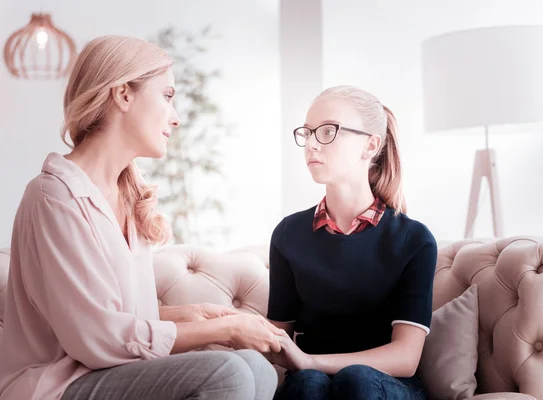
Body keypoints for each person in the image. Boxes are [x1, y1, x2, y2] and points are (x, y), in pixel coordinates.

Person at [0, 35, 283, 400]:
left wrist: (196, 313)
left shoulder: (128, 194)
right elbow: (96, 337)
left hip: (113, 373)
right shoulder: (53, 196)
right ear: (123, 95)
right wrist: (226, 329)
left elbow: (121, 318)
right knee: (228, 373)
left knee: (256, 368)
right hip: (55, 386)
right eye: (167, 96)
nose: (176, 117)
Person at [266, 85, 437, 399]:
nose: (312, 144)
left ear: (370, 145)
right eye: (308, 132)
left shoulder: (414, 240)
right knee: (307, 384)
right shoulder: (288, 234)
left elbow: (406, 358)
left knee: (355, 379)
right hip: (310, 383)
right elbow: (277, 339)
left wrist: (309, 360)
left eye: (328, 131)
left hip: (387, 386)